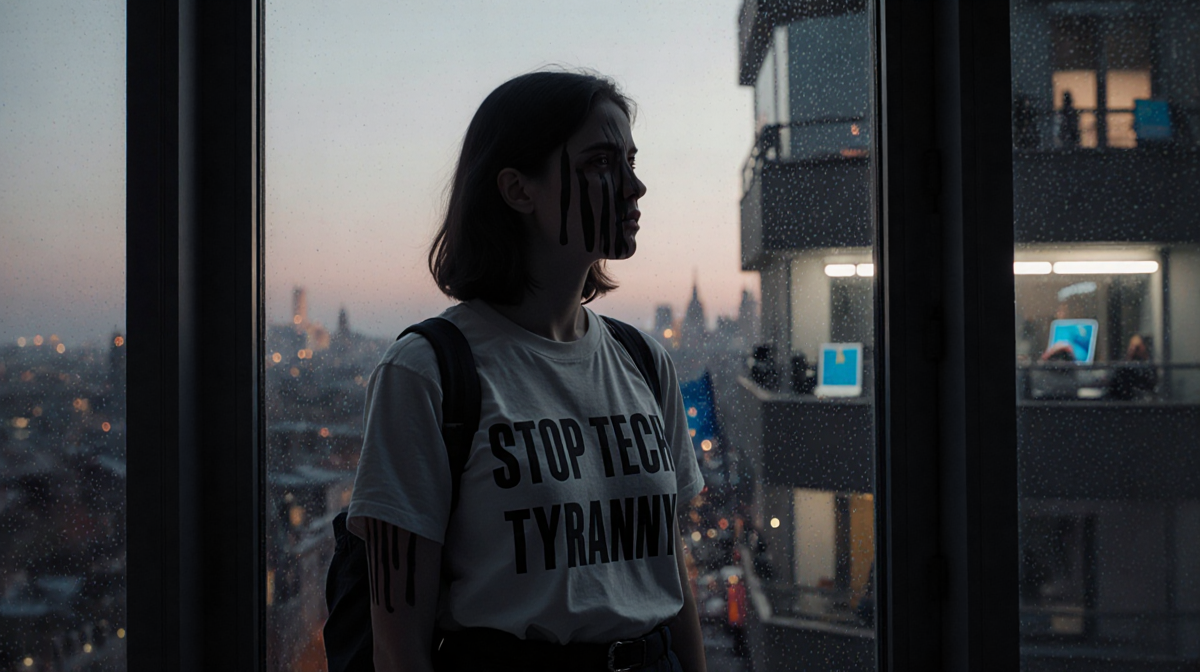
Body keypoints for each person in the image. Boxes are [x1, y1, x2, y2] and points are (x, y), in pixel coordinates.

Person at [346, 71, 708, 672]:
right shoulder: (427, 373)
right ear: (518, 190)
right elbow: (398, 647)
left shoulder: (644, 363)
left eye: (632, 161)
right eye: (601, 163)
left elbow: (669, 577)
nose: (635, 187)